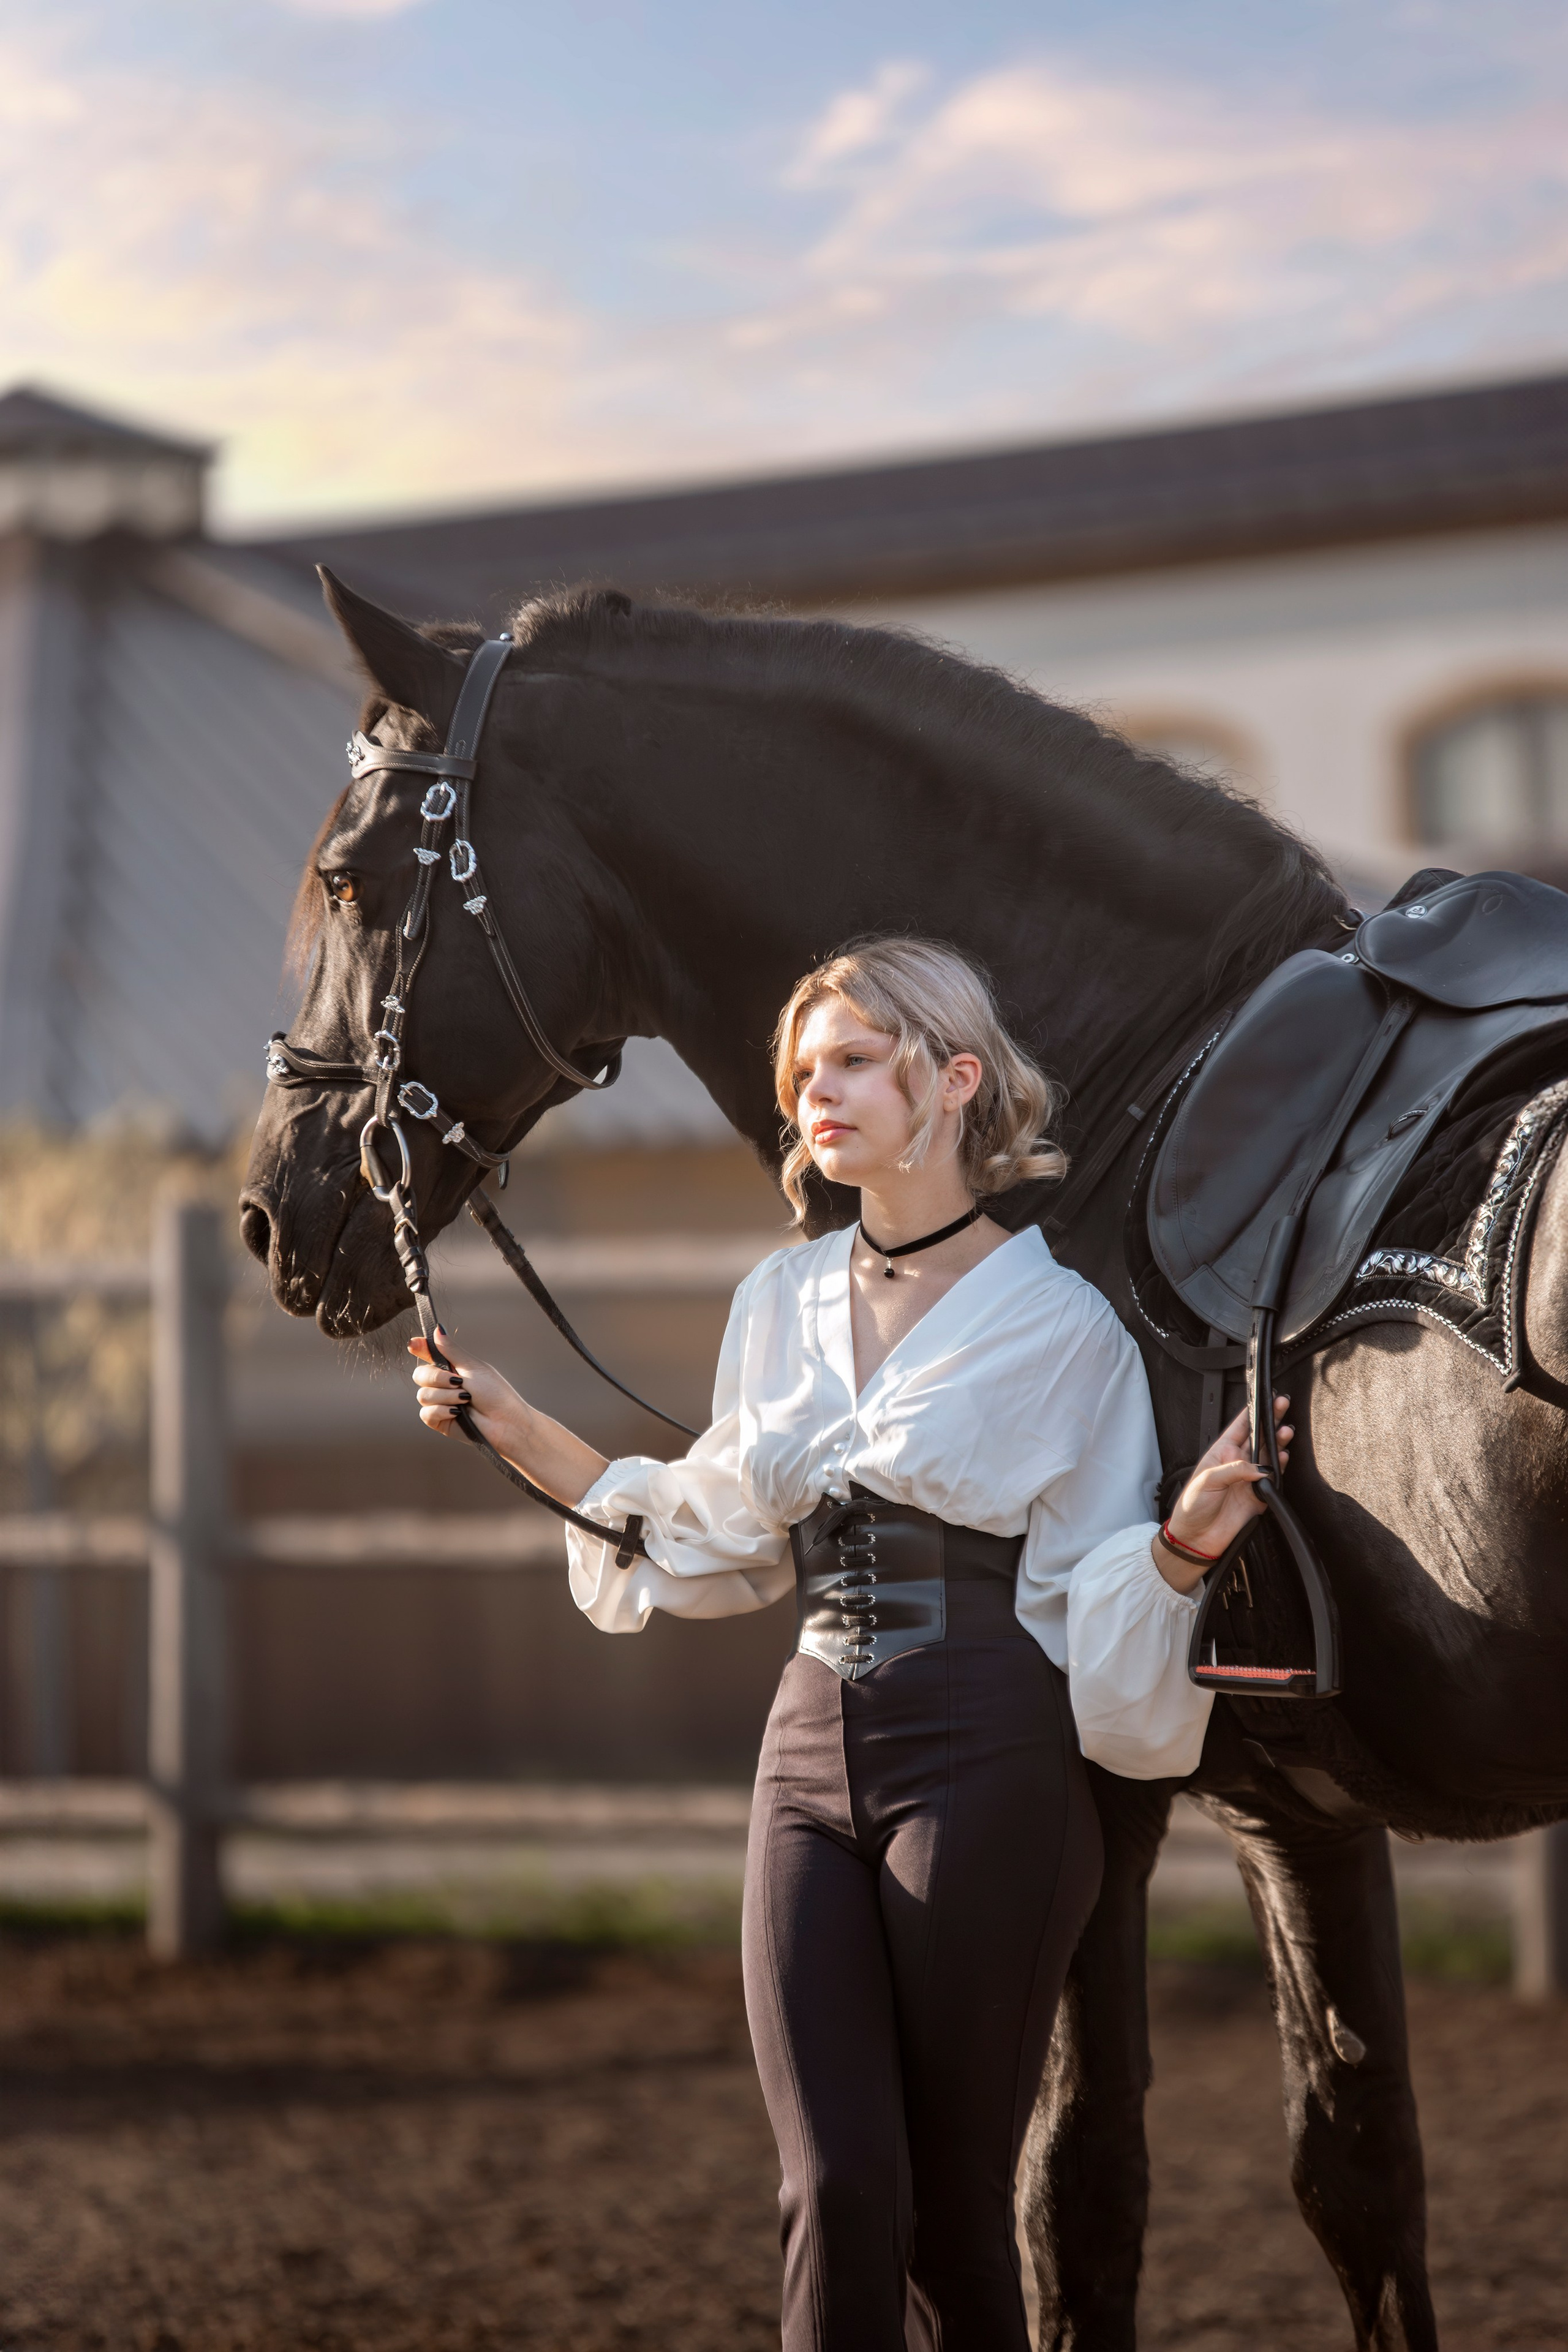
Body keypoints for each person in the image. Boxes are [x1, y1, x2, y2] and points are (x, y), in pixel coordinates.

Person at [409, 937, 1289, 2352]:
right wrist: (513, 1426)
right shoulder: (779, 1301)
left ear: (950, 1081)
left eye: (853, 1060)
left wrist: (1185, 1539)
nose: (816, 1093)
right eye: (800, 1071)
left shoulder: (1064, 1327)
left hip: (991, 1763)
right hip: (804, 1757)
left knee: (949, 2210)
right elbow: (715, 1529)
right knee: (831, 2180)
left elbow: (1087, 1601)